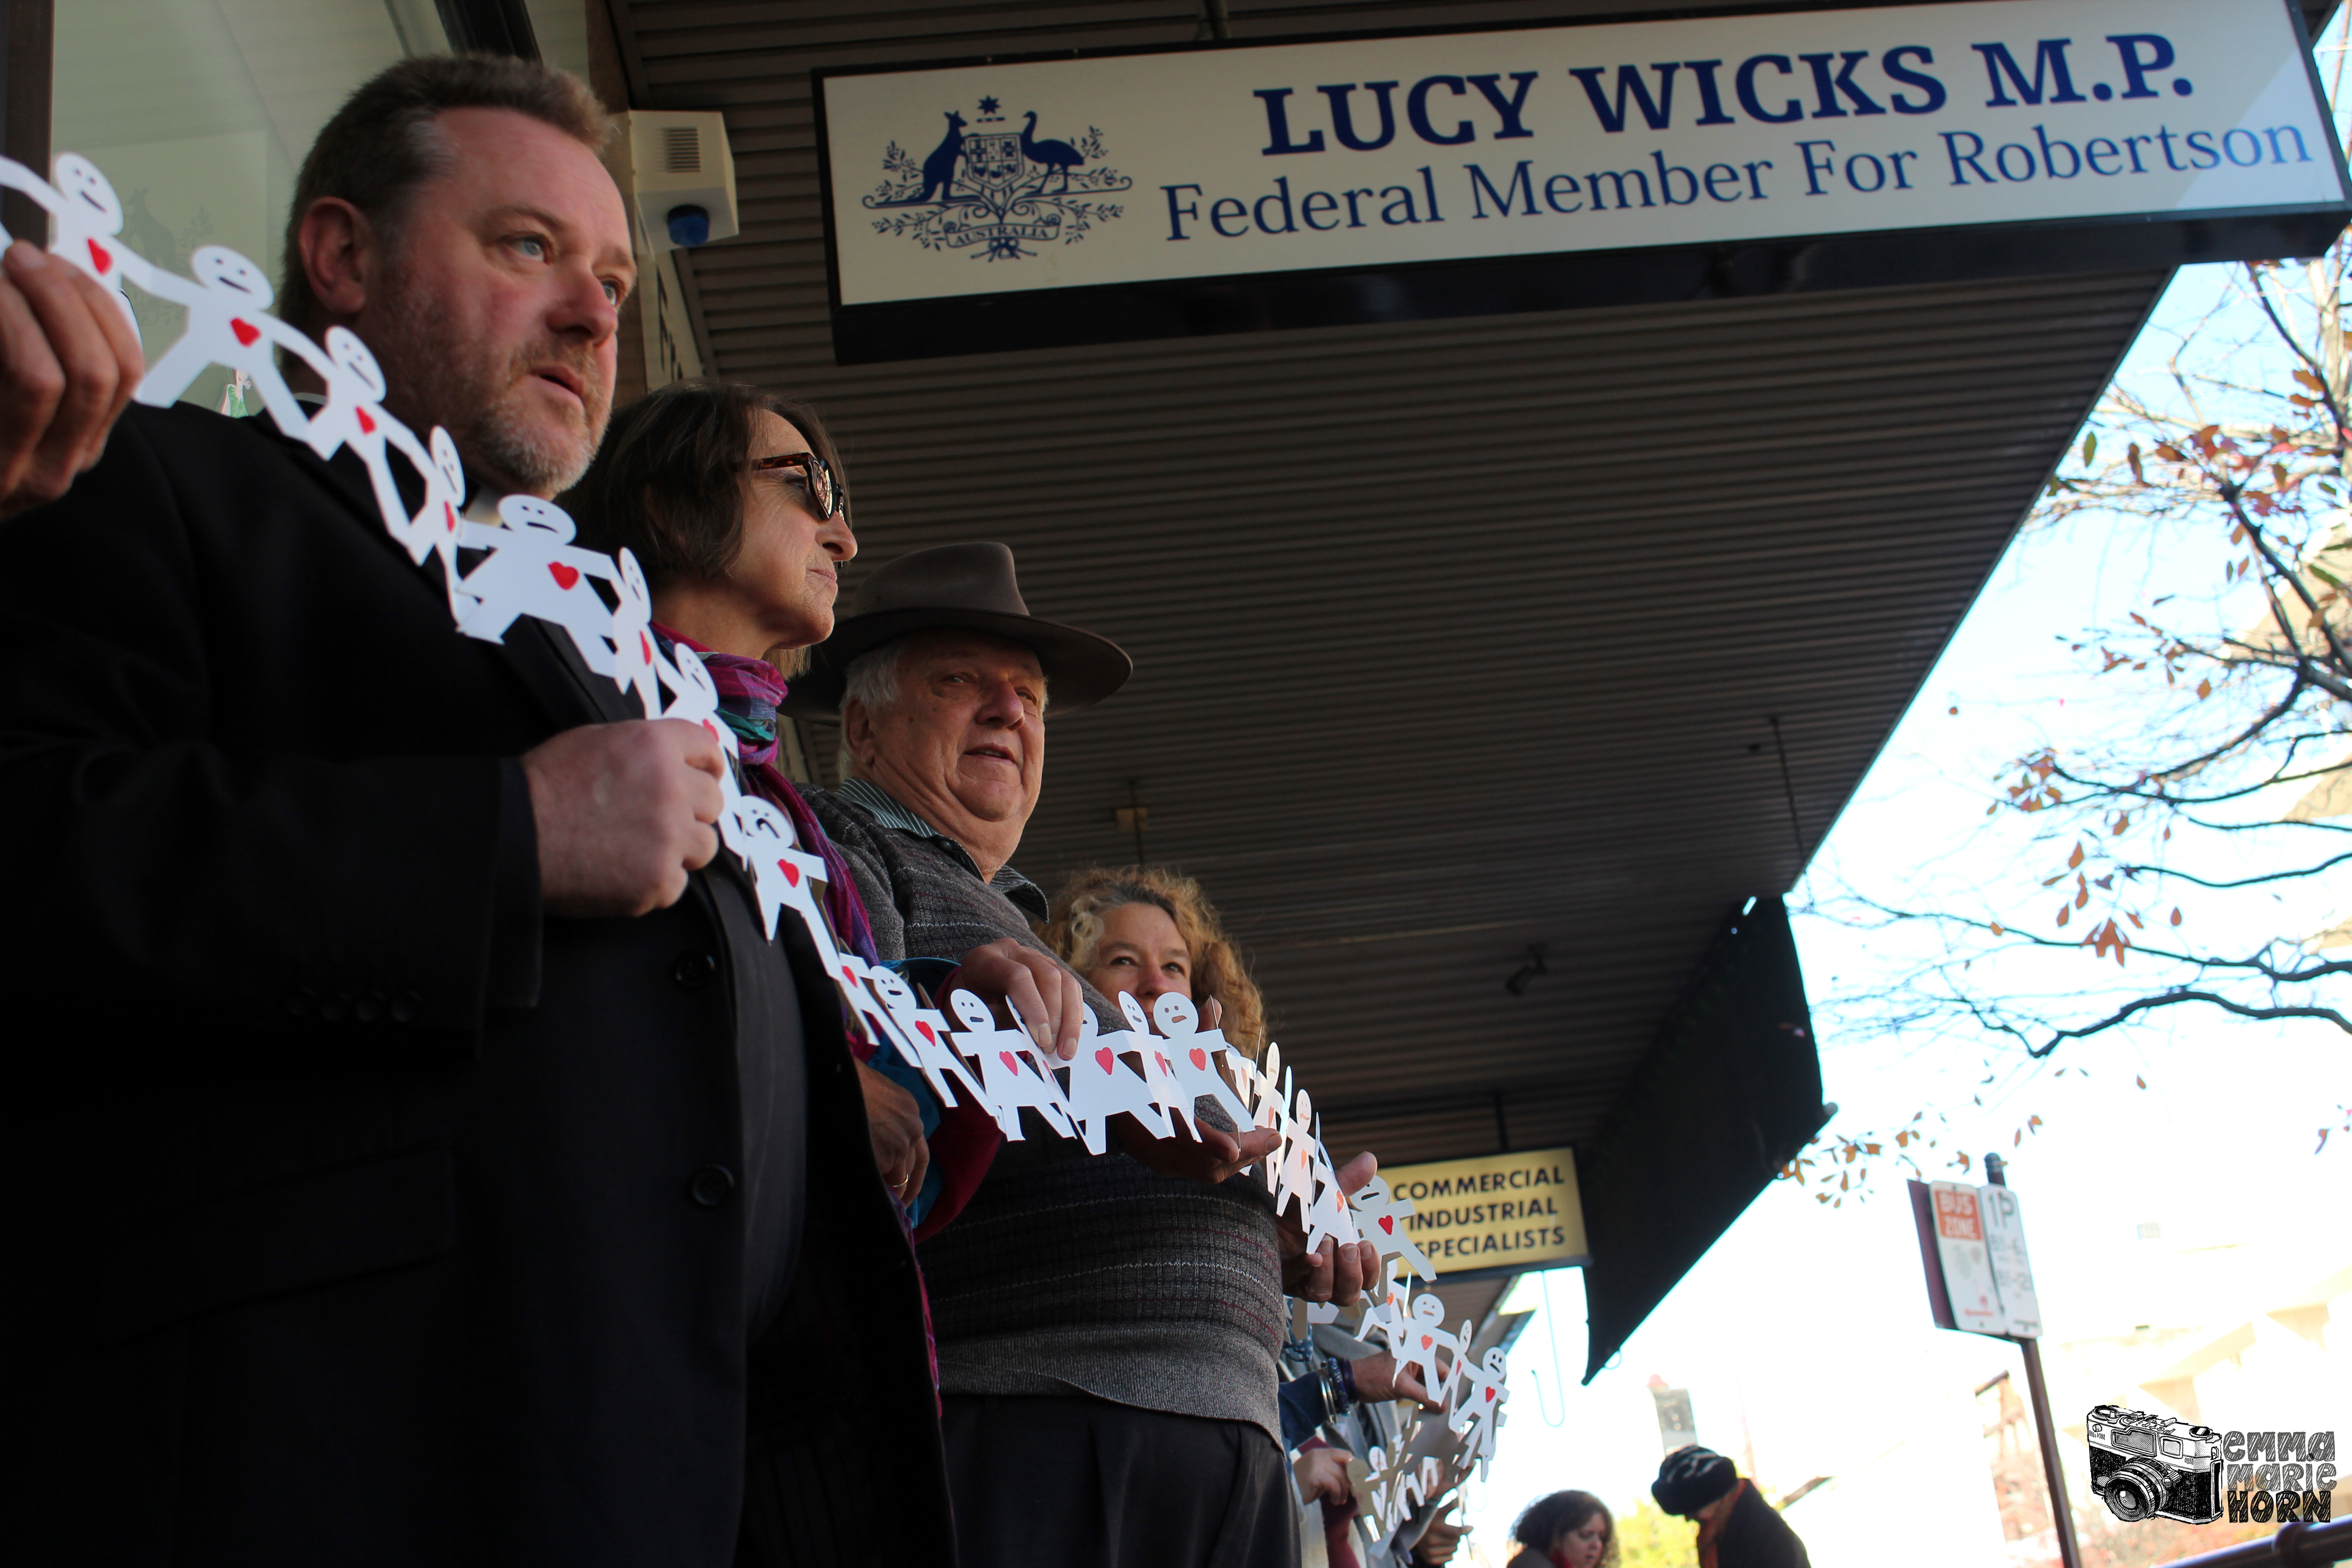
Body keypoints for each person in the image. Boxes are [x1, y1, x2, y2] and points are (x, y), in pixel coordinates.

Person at [0, 56, 942, 1566]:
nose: (591, 314)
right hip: (325, 1465)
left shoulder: (584, 645)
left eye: (616, 281)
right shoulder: (157, 482)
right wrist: (502, 842)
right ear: (341, 255)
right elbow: (34, 845)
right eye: (527, 248)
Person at [786, 544, 1382, 1568]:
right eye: (959, 681)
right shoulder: (848, 846)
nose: (1008, 711)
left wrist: (1290, 1231)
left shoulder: (1011, 912)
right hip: (1036, 1415)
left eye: (1027, 696)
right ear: (862, 724)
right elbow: (863, 1091)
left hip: (1214, 1432)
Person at [1653, 1446, 1811, 1568]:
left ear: (1718, 1499)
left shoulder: (1764, 1539)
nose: (1689, 1519)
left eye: (1694, 1511)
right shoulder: (1732, 1533)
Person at [1506, 1490, 1615, 1568]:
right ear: (1556, 1537)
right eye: (1585, 1535)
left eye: (1602, 1538)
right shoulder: (1530, 1563)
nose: (1597, 1545)